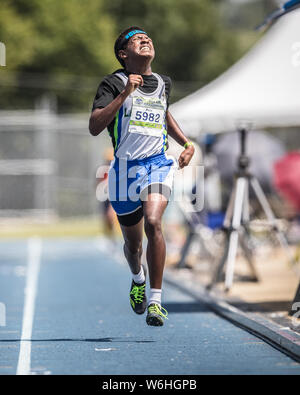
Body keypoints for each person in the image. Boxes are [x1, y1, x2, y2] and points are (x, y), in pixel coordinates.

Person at [89, 27, 194, 326]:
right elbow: (95, 126)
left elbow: (164, 113)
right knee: (133, 247)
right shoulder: (113, 83)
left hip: (158, 164)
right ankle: (138, 279)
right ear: (124, 54)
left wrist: (186, 143)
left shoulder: (163, 83)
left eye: (148, 37)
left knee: (154, 221)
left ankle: (156, 302)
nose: (146, 40)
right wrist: (124, 94)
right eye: (137, 39)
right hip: (124, 171)